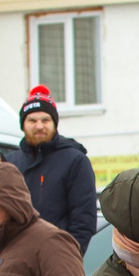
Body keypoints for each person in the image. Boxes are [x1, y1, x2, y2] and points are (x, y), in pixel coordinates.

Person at [13, 85, 100, 253]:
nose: (39, 126)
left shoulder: (75, 160)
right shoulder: (10, 163)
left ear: (54, 124)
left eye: (45, 120)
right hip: (17, 262)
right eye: (32, 120)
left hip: (57, 260)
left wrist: (68, 257)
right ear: (23, 125)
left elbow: (84, 220)